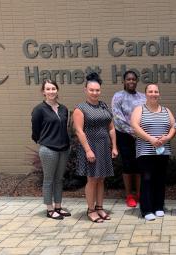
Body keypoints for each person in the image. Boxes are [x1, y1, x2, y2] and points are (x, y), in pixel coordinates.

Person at [73, 73, 118, 223]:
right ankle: (91, 210)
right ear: (85, 90)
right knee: (92, 179)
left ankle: (100, 207)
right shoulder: (81, 108)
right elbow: (79, 131)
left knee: (101, 179)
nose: (95, 93)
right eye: (91, 90)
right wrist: (87, 150)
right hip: (90, 146)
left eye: (97, 90)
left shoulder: (104, 105)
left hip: (104, 146)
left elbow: (111, 128)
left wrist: (114, 147)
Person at [130, 84, 176, 221]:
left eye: (156, 91)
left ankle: (159, 207)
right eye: (150, 91)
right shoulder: (139, 109)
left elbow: (174, 126)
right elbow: (134, 126)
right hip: (145, 151)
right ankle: (146, 209)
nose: (153, 94)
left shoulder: (166, 110)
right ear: (146, 94)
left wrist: (168, 137)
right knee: (147, 179)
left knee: (160, 179)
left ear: (159, 94)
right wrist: (150, 139)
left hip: (162, 151)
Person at [31, 79, 71, 220]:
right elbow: (35, 132)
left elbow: (65, 128)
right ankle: (49, 209)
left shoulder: (64, 109)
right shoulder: (39, 110)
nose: (51, 91)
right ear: (43, 92)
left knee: (59, 179)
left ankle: (58, 207)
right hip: (48, 149)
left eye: (53, 88)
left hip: (64, 148)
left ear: (57, 90)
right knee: (48, 179)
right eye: (48, 89)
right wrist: (44, 141)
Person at [111, 70, 146, 208]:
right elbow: (117, 117)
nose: (131, 81)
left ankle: (139, 193)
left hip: (141, 135)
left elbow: (146, 114)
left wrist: (141, 132)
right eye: (128, 79)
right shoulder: (118, 96)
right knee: (128, 165)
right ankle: (129, 195)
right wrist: (134, 131)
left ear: (137, 81)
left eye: (133, 79)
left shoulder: (143, 97)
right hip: (125, 135)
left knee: (139, 165)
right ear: (124, 81)